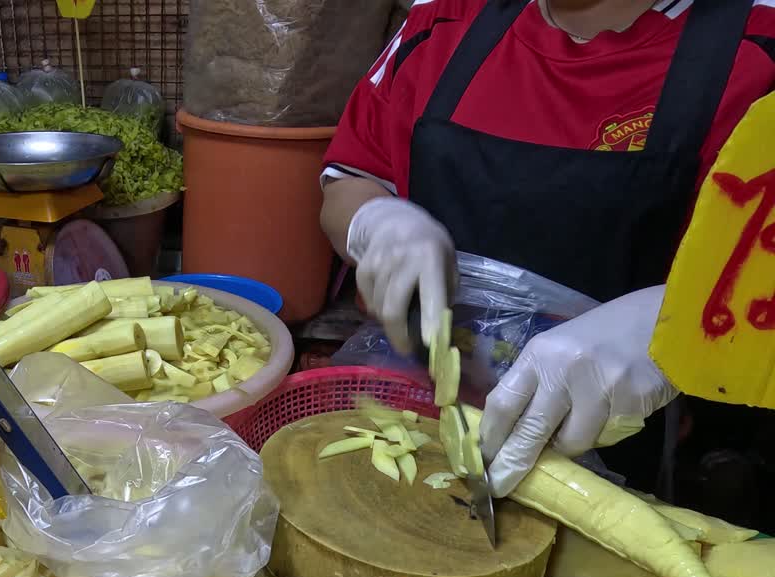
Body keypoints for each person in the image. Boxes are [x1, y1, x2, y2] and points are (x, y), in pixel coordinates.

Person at [320, 0, 775, 498]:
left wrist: (673, 324)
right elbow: (353, 178)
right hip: (413, 414)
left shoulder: (758, 45)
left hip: (621, 450)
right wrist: (375, 221)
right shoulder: (442, 19)